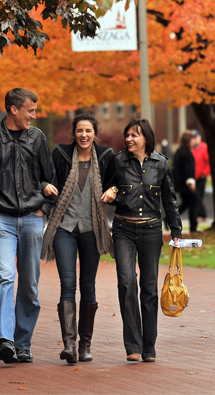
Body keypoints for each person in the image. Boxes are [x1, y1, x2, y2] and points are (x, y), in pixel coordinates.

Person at [0, 88, 56, 364]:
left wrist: (43, 209)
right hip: (1, 221)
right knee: (5, 276)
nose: (34, 115)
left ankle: (23, 343)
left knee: (29, 285)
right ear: (14, 109)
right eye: (30, 110)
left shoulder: (37, 138)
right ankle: (5, 340)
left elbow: (50, 180)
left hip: (32, 219)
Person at [41, 113, 117, 363]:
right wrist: (45, 186)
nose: (84, 135)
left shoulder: (106, 157)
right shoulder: (60, 155)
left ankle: (85, 345)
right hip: (64, 228)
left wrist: (113, 189)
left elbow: (118, 182)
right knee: (67, 284)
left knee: (89, 286)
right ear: (73, 133)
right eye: (80, 131)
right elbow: (46, 179)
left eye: (88, 131)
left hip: (92, 229)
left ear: (95, 134)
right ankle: (69, 345)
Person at [112, 119, 181, 363]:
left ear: (146, 138)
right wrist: (112, 192)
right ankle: (133, 345)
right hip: (123, 230)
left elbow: (169, 200)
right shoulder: (118, 161)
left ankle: (149, 348)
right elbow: (108, 187)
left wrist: (176, 231)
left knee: (149, 289)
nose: (129, 139)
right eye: (127, 135)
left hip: (152, 231)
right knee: (126, 282)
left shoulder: (161, 163)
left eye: (134, 135)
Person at [173, 130, 198, 233]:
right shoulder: (187, 153)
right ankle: (193, 227)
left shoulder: (179, 151)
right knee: (193, 203)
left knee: (187, 203)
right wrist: (191, 182)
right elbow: (189, 169)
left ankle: (170, 218)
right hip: (186, 183)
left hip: (179, 182)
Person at [191, 130, 210, 221]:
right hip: (193, 177)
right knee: (195, 196)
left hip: (201, 176)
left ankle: (199, 215)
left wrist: (205, 173)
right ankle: (203, 215)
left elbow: (208, 162)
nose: (194, 140)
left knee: (198, 196)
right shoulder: (191, 149)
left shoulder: (204, 147)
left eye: (195, 138)